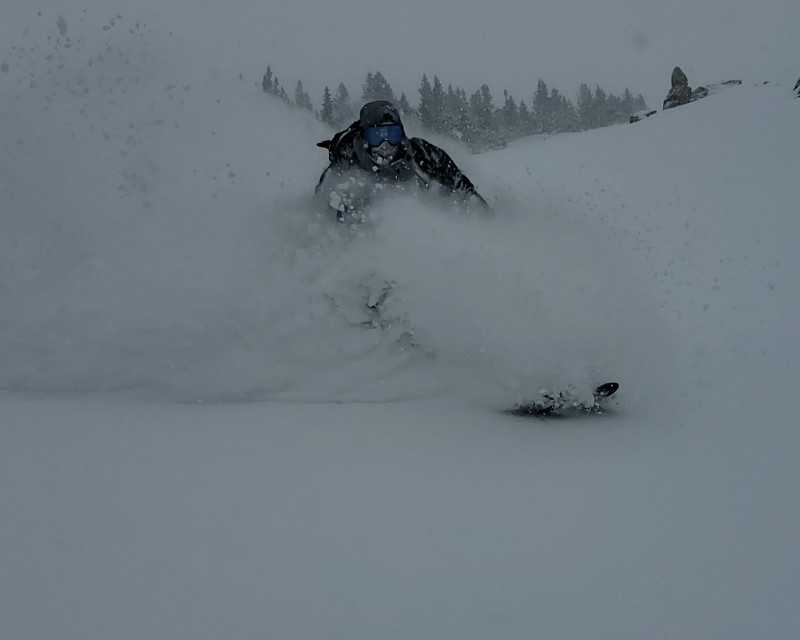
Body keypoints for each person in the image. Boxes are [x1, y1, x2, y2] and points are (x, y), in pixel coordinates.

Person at [315, 100, 489, 219]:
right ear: (364, 137)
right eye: (377, 136)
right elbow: (323, 205)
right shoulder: (348, 158)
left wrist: (481, 214)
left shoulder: (420, 154)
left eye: (392, 135)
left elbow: (461, 185)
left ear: (402, 134)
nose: (385, 145)